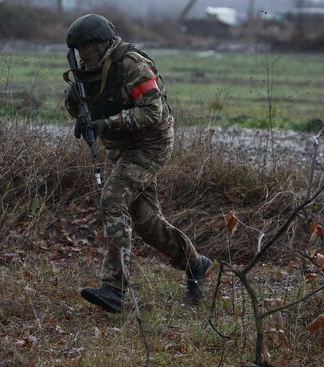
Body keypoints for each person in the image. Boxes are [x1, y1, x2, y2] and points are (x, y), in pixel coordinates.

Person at [63, 14, 212, 313]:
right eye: (77, 51)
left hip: (150, 144)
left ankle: (114, 288)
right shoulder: (88, 71)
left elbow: (152, 114)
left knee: (112, 199)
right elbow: (78, 104)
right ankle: (195, 263)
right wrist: (82, 116)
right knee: (146, 223)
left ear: (100, 44)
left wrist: (106, 124)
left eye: (85, 49)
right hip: (122, 148)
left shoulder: (132, 65)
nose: (81, 56)